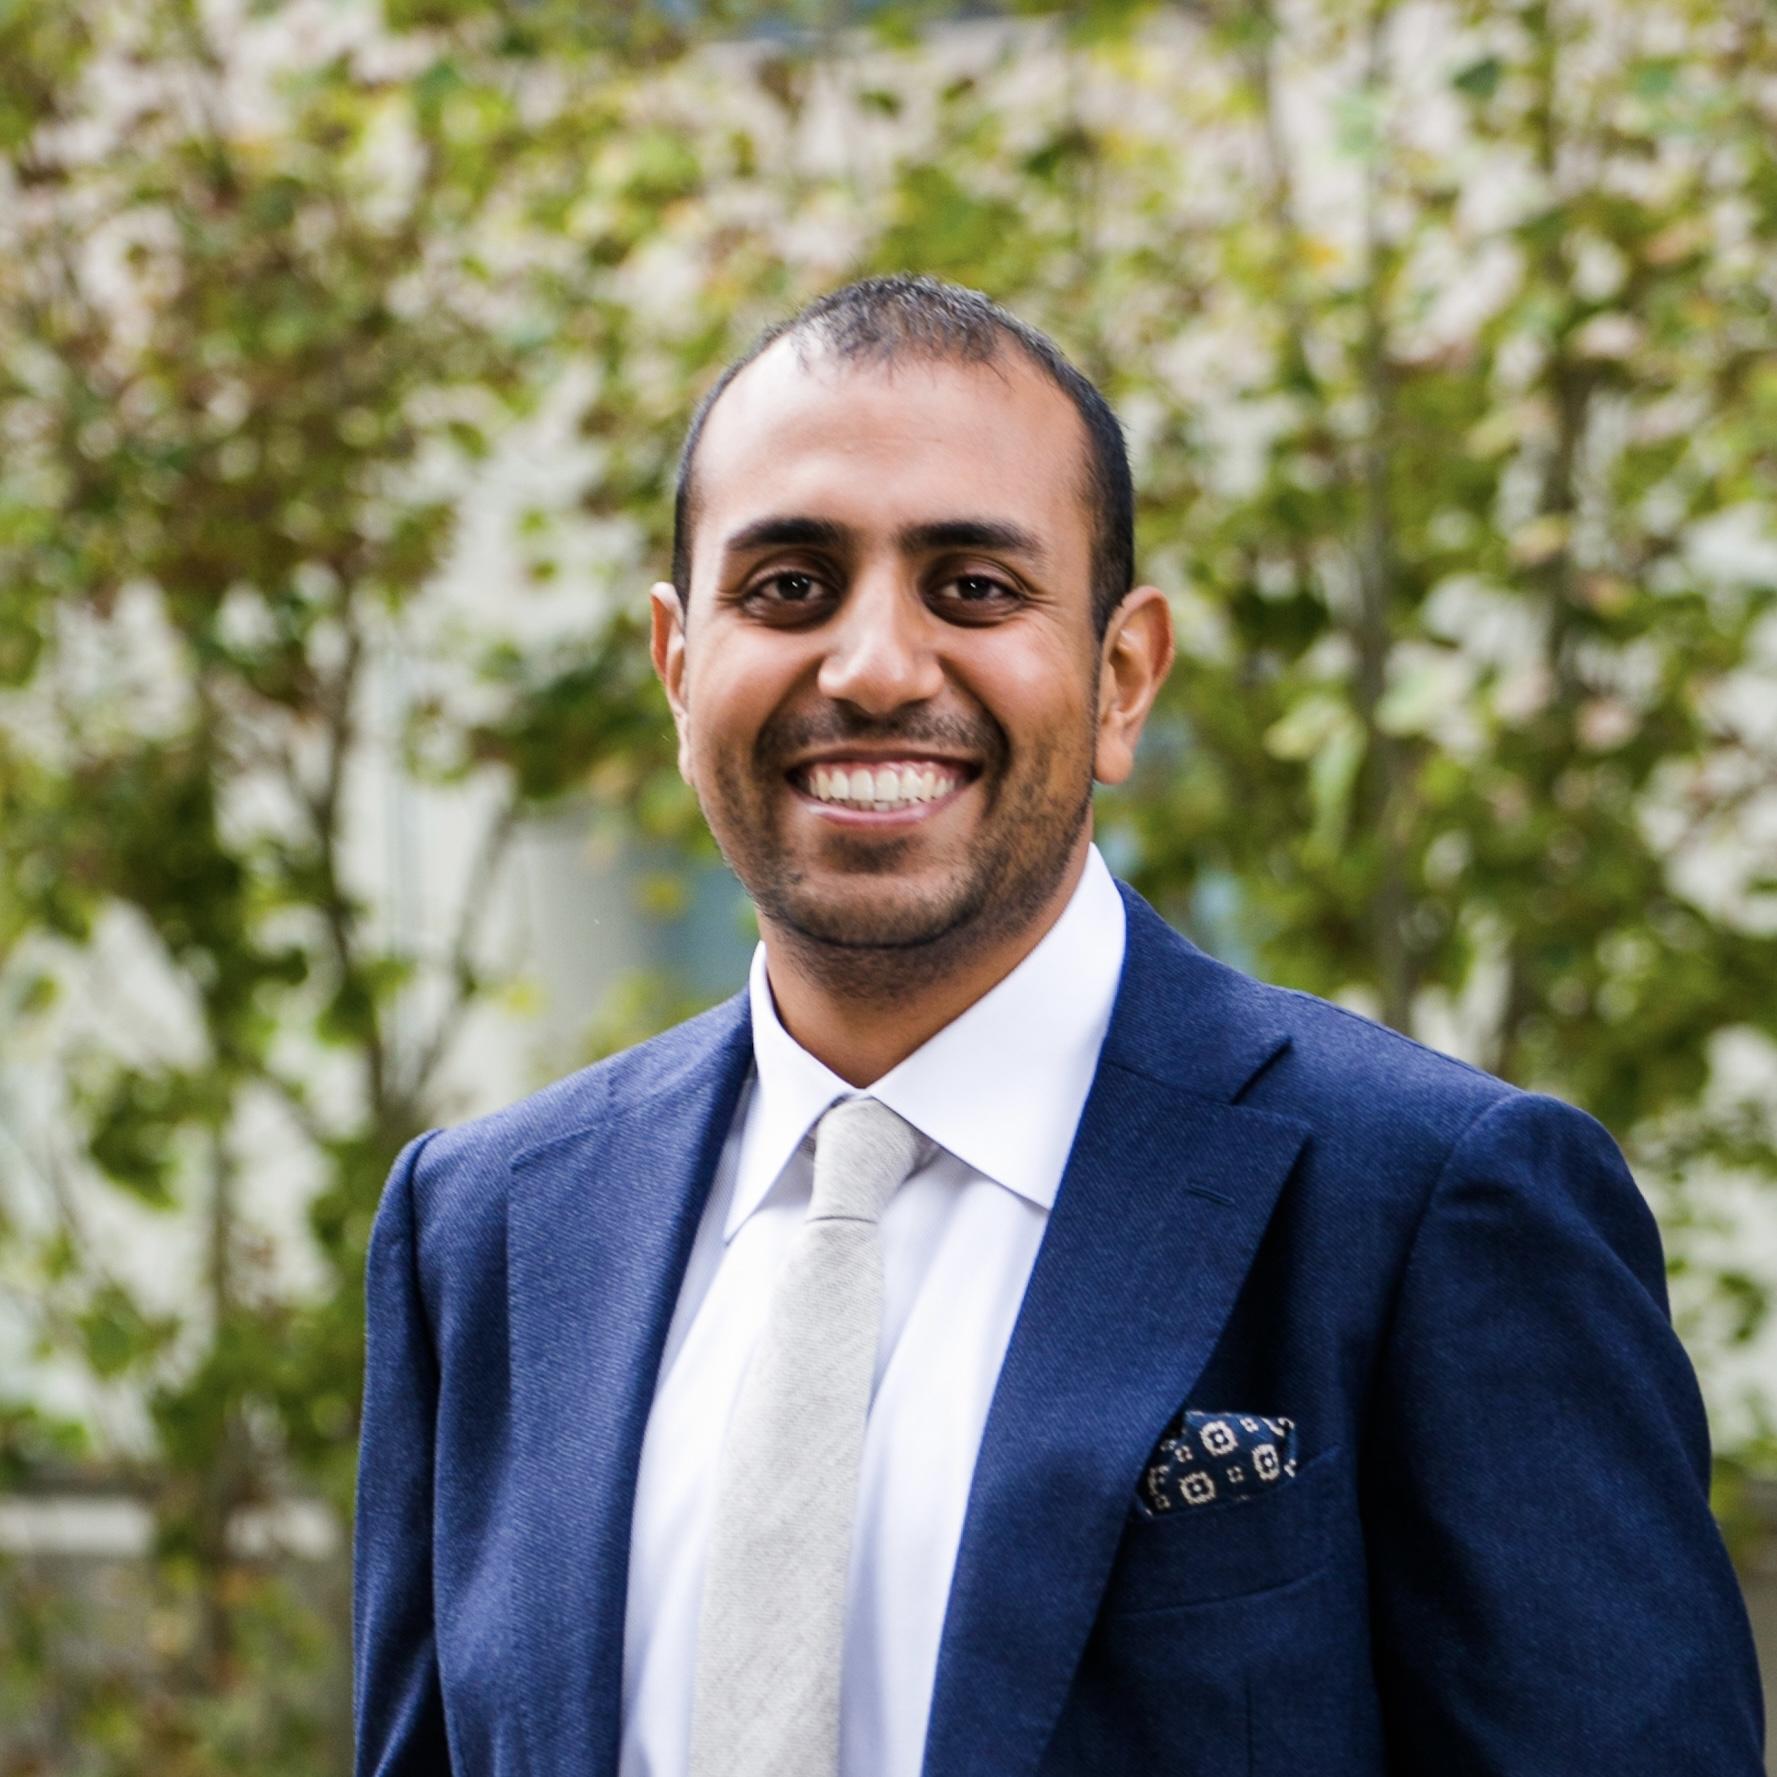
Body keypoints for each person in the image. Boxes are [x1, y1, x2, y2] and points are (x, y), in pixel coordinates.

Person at [352, 275, 1765, 1777]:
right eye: (786, 587)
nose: (876, 665)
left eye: (972, 585)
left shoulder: (1433, 1202)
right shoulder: (487, 1229)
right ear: (677, 660)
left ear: (1120, 675)